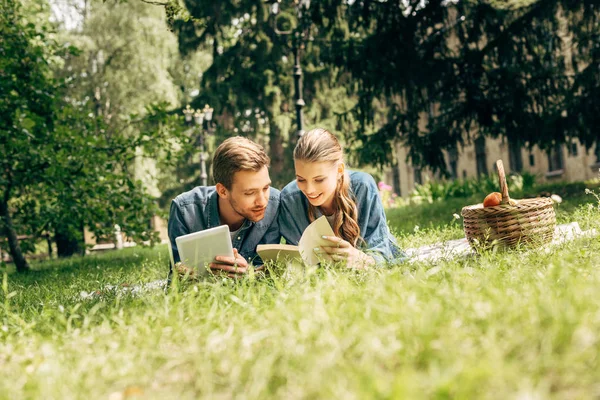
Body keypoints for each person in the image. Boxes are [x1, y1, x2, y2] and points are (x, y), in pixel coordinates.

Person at [278, 128, 405, 268]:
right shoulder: (289, 199)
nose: (309, 190)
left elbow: (382, 252)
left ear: (339, 171)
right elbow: (297, 259)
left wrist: (362, 259)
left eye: (319, 180)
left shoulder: (363, 187)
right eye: (301, 179)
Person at [168, 136, 280, 279]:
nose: (263, 201)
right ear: (223, 191)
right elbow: (176, 277)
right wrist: (186, 274)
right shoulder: (185, 210)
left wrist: (249, 274)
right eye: (249, 193)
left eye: (265, 188)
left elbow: (268, 273)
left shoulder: (274, 204)